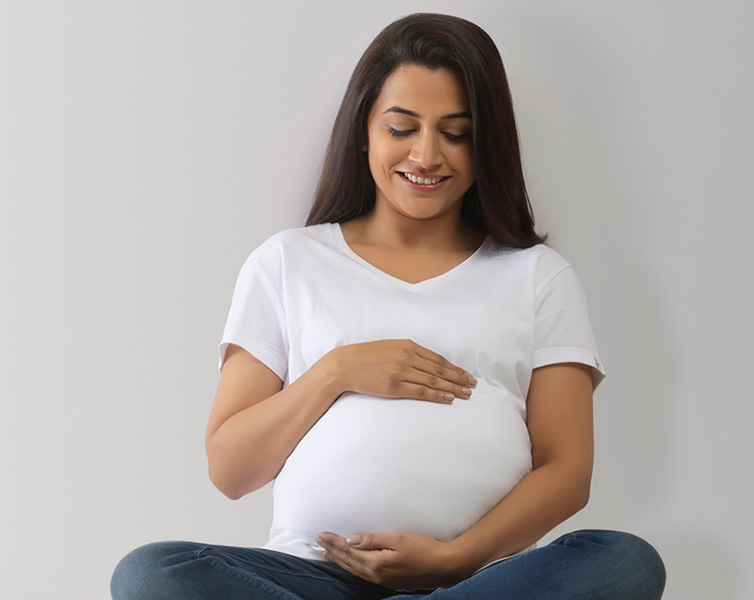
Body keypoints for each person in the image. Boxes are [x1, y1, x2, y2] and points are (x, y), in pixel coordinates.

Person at [111, 13, 666, 600]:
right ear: (364, 130)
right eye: (402, 127)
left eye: (456, 133)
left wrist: (454, 560)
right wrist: (337, 371)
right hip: (312, 576)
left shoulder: (537, 276)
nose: (426, 156)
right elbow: (230, 470)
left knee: (623, 561)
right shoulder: (286, 263)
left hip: (478, 580)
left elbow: (567, 472)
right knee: (152, 574)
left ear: (487, 145)